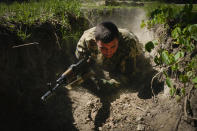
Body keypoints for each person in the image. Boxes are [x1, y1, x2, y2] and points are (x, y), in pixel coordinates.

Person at [75, 21, 142, 89]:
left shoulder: (129, 43)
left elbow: (128, 76)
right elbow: (80, 59)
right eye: (103, 48)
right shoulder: (86, 40)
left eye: (113, 47)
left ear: (118, 40)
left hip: (128, 49)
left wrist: (109, 84)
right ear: (95, 41)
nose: (108, 52)